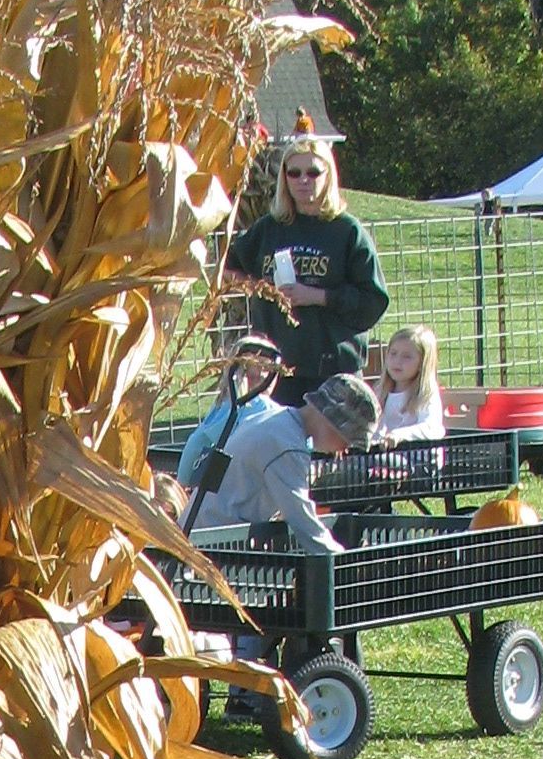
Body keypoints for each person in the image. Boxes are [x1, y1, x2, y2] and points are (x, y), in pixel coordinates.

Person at [222, 127, 390, 403]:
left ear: (328, 177)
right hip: (277, 368)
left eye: (313, 172)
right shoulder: (269, 229)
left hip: (332, 368)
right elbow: (224, 270)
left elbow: (374, 300)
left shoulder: (347, 231)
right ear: (284, 178)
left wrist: (318, 297)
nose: (303, 180)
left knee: (328, 446)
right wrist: (260, 289)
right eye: (294, 173)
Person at [186, 371, 380, 556]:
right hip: (211, 547)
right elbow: (301, 519)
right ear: (331, 422)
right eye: (348, 440)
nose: (345, 449)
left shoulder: (275, 419)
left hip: (199, 533)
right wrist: (341, 560)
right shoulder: (286, 445)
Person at [173, 334, 285, 520]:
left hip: (201, 514)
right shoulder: (264, 410)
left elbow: (187, 469)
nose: (264, 373)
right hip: (241, 516)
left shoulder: (219, 409)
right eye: (259, 367)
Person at [373, 324, 445, 443]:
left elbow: (433, 428)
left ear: (422, 363)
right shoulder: (381, 391)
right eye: (393, 353)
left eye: (407, 357)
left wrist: (399, 435)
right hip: (389, 453)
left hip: (417, 458)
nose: (397, 361)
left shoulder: (426, 394)